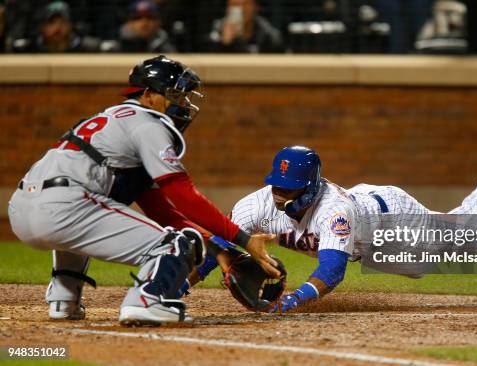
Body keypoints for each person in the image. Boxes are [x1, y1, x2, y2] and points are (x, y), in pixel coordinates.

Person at [181, 129, 477, 311]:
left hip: (389, 219)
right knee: (422, 269)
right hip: (369, 237)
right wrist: (184, 282)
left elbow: (332, 270)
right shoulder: (258, 204)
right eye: (277, 185)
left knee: (474, 239)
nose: (280, 194)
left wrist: (294, 299)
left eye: (288, 188)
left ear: (310, 186)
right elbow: (219, 239)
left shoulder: (331, 211)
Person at [8, 55, 279, 326]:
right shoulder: (148, 124)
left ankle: (63, 298)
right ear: (149, 95)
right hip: (66, 204)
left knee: (83, 223)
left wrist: (223, 252)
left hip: (22, 208)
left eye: (184, 97)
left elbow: (161, 210)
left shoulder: (113, 120)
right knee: (178, 243)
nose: (182, 104)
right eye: (175, 95)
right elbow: (182, 196)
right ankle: (146, 301)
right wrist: (243, 239)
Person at [11, 1, 102, 53]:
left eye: (63, 22)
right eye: (52, 22)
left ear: (70, 26)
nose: (58, 28)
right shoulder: (29, 49)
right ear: (43, 27)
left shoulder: (87, 49)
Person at [206, 0, 284, 53]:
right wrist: (224, 43)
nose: (241, 9)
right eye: (235, 4)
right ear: (228, 8)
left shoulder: (266, 32)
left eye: (246, 4)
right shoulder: (218, 30)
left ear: (255, 7)